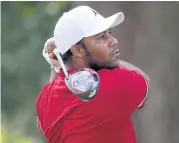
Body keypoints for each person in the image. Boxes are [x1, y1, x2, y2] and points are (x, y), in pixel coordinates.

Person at [36, 6, 150, 143]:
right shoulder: (113, 84)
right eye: (102, 37)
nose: (113, 41)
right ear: (78, 50)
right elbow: (144, 80)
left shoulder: (46, 98)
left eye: (109, 33)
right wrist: (113, 60)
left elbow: (42, 126)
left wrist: (57, 62)